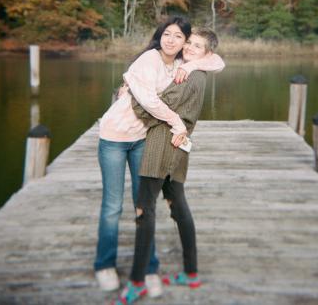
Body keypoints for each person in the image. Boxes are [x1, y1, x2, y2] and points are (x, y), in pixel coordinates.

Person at [94, 17, 224, 297]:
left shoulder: (180, 65)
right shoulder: (149, 59)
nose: (175, 41)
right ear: (159, 35)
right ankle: (105, 264)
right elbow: (150, 103)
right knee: (113, 206)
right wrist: (177, 123)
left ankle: (149, 269)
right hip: (115, 137)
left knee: (142, 204)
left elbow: (217, 62)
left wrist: (191, 63)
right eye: (169, 34)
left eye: (182, 38)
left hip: (143, 138)